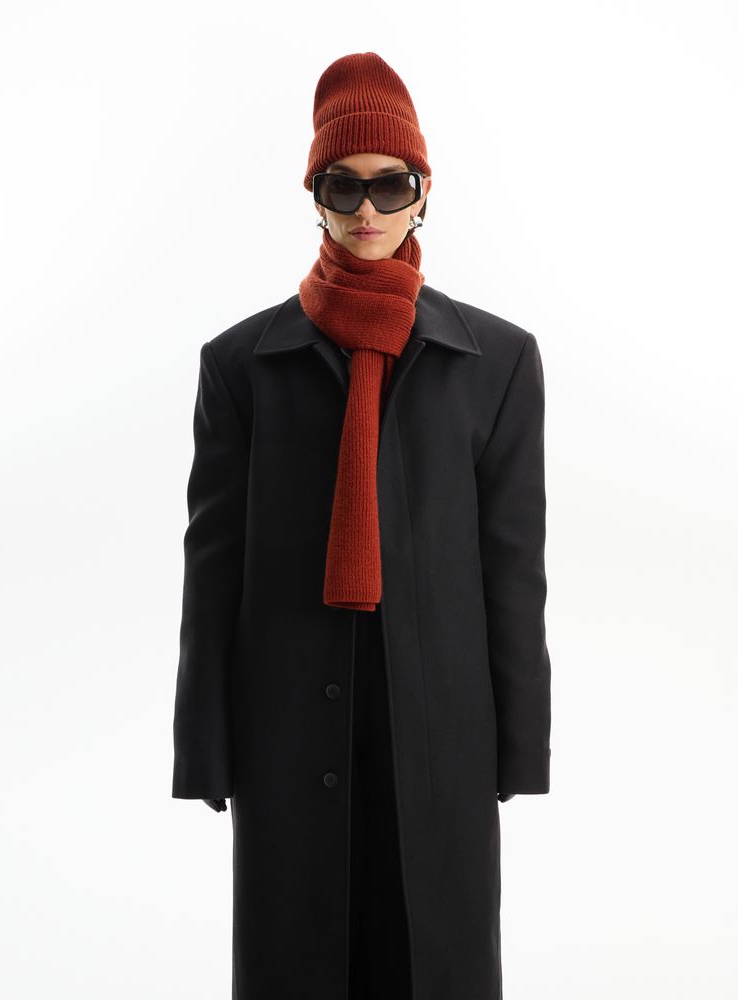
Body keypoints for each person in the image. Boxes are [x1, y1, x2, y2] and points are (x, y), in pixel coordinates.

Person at [172, 51, 551, 1000]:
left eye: (393, 185)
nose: (369, 208)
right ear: (316, 196)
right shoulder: (241, 366)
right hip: (287, 726)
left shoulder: (497, 362)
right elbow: (212, 572)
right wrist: (205, 748)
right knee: (297, 958)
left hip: (442, 726)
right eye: (344, 185)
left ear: (424, 194)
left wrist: (519, 746)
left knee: (436, 960)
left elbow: (513, 570)